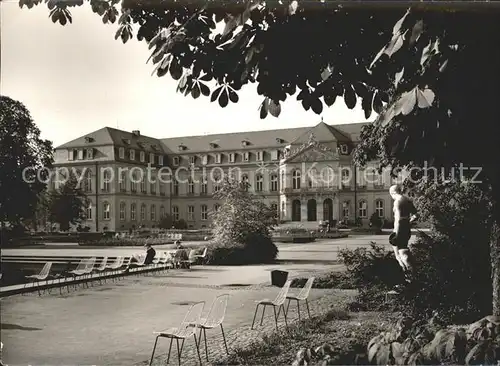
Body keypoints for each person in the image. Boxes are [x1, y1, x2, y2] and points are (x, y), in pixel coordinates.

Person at [389, 184, 418, 278]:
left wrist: (396, 233)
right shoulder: (407, 200)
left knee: (399, 254)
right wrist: (408, 222)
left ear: (393, 193)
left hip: (399, 229)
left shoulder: (397, 201)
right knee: (404, 250)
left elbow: (398, 219)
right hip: (406, 228)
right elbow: (416, 215)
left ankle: (409, 277)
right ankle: (412, 275)